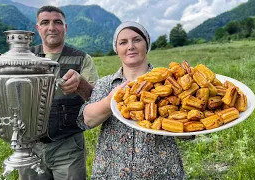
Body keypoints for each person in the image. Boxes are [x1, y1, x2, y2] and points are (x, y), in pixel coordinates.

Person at [0, 5, 98, 180]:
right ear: (37, 28)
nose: (51, 27)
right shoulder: (20, 58)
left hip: (68, 145)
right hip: (28, 146)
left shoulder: (82, 59)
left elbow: (95, 98)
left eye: (57, 22)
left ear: (65, 27)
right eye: (45, 22)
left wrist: (81, 84)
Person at [77, 21, 186, 179]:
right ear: (117, 49)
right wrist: (111, 101)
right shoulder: (107, 84)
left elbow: (188, 130)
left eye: (137, 40)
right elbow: (88, 120)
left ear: (146, 44)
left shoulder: (169, 82)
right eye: (123, 42)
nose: (130, 46)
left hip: (161, 171)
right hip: (113, 171)